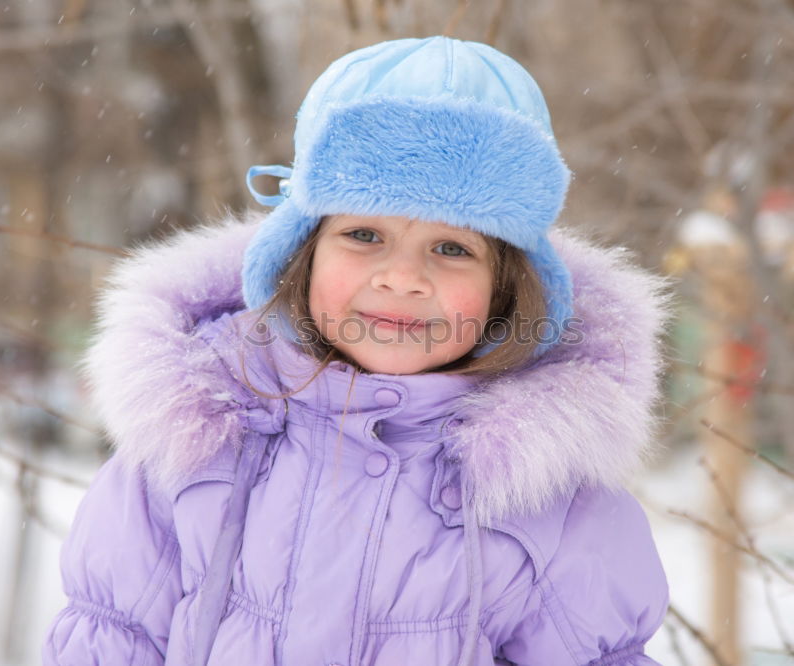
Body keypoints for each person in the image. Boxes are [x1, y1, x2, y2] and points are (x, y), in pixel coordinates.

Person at [43, 36, 674, 665]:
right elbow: (111, 637)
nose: (402, 278)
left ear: (506, 287)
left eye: (452, 248)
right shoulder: (198, 433)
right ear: (302, 252)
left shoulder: (545, 486)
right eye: (364, 234)